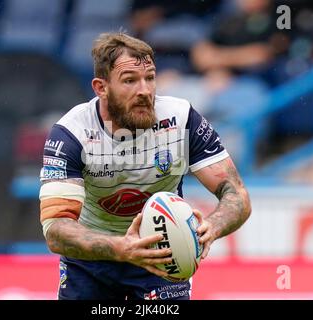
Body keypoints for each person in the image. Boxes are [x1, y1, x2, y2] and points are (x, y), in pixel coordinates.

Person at [39, 32, 251, 300]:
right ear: (100, 87)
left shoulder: (181, 119)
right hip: (90, 258)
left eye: (149, 78)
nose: (145, 91)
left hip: (162, 254)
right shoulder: (71, 133)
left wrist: (212, 227)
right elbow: (56, 230)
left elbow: (237, 195)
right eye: (130, 81)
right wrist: (122, 248)